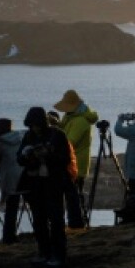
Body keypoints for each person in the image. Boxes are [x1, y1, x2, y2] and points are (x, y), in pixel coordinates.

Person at [17, 106, 72, 267]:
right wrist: (27, 155)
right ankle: (44, 252)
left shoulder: (58, 135)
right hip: (35, 183)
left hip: (53, 182)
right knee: (39, 219)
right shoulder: (28, 136)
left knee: (56, 220)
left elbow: (65, 159)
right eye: (32, 125)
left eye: (37, 125)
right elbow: (19, 159)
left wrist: (48, 155)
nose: (35, 128)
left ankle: (58, 255)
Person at [54, 89, 98, 228]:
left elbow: (70, 141)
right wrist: (56, 124)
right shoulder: (71, 117)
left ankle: (76, 223)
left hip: (76, 163)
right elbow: (65, 129)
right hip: (71, 163)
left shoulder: (80, 121)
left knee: (73, 195)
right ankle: (76, 222)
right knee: (73, 194)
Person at [0, 117, 27, 244]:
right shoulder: (21, 137)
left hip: (11, 178)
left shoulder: (0, 143)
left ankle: (9, 236)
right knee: (35, 205)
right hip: (26, 175)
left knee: (11, 208)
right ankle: (43, 230)